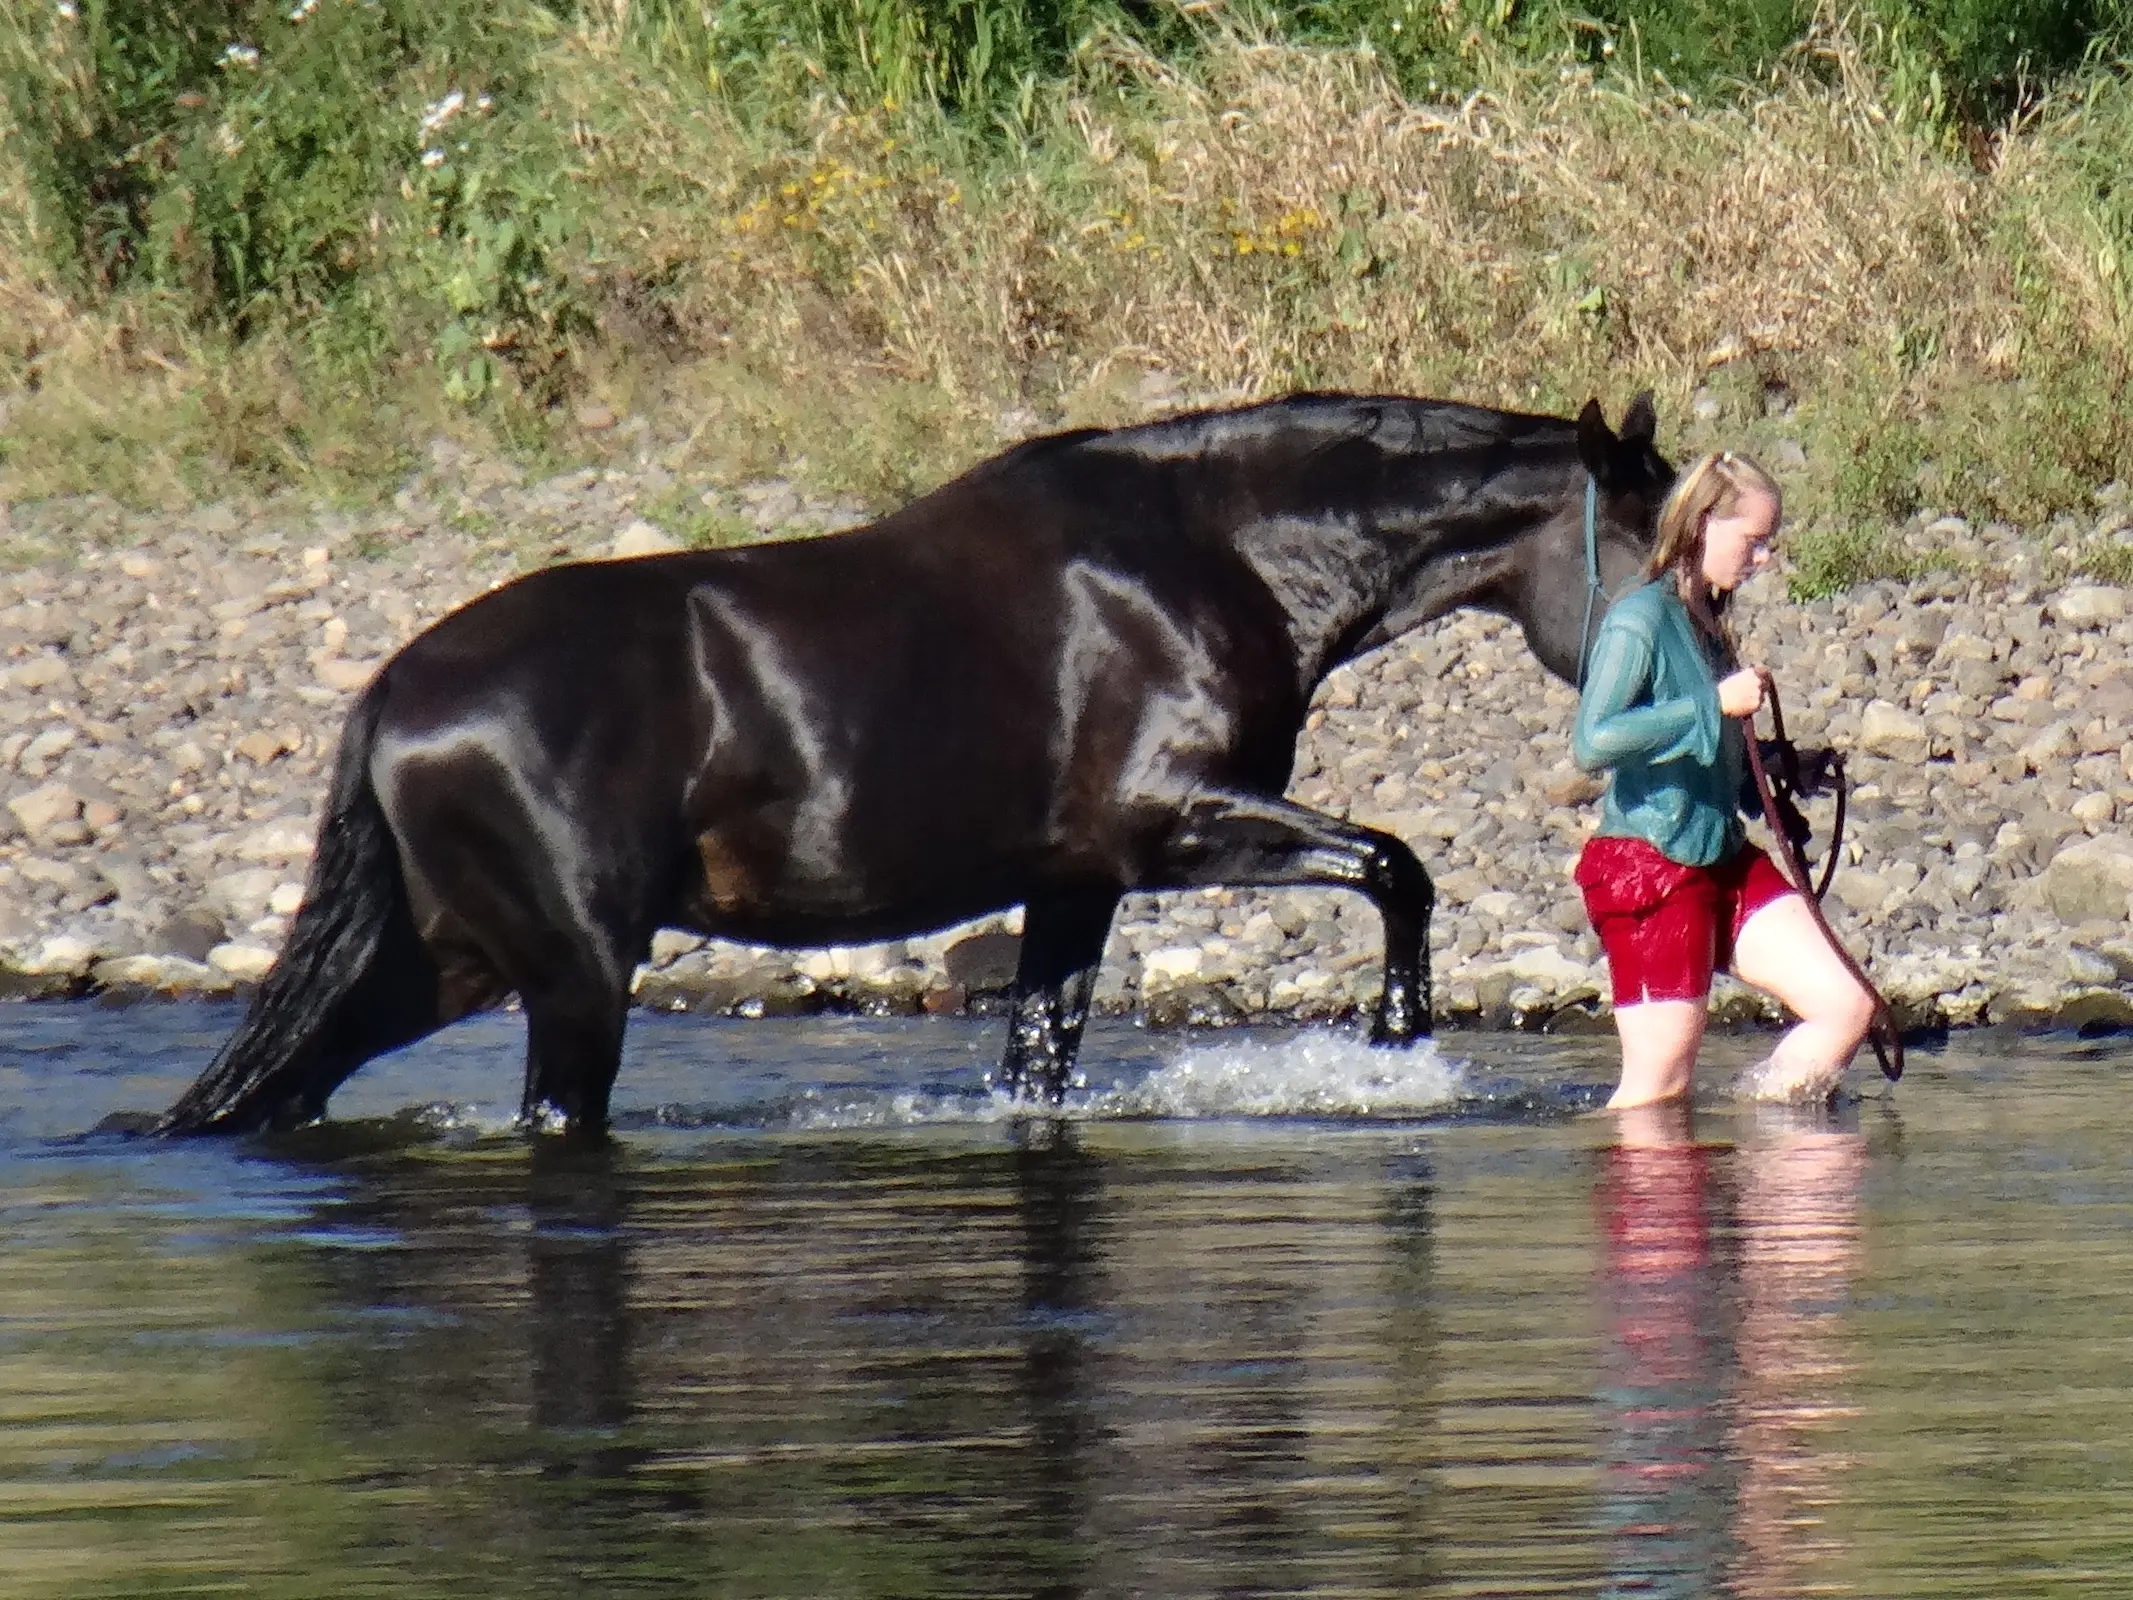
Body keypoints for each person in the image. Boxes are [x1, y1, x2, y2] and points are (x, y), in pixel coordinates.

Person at [1571, 451, 1873, 1109]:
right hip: (1646, 866)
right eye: (1752, 540)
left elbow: (1706, 747)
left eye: (1768, 543)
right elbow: (1591, 742)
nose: (1762, 559)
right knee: (1657, 1090)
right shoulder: (1638, 619)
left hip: (1723, 856)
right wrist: (1713, 705)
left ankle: (1760, 1155)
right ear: (1701, 522)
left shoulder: (1707, 620)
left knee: (1845, 1007)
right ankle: (1653, 1201)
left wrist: (1772, 767)